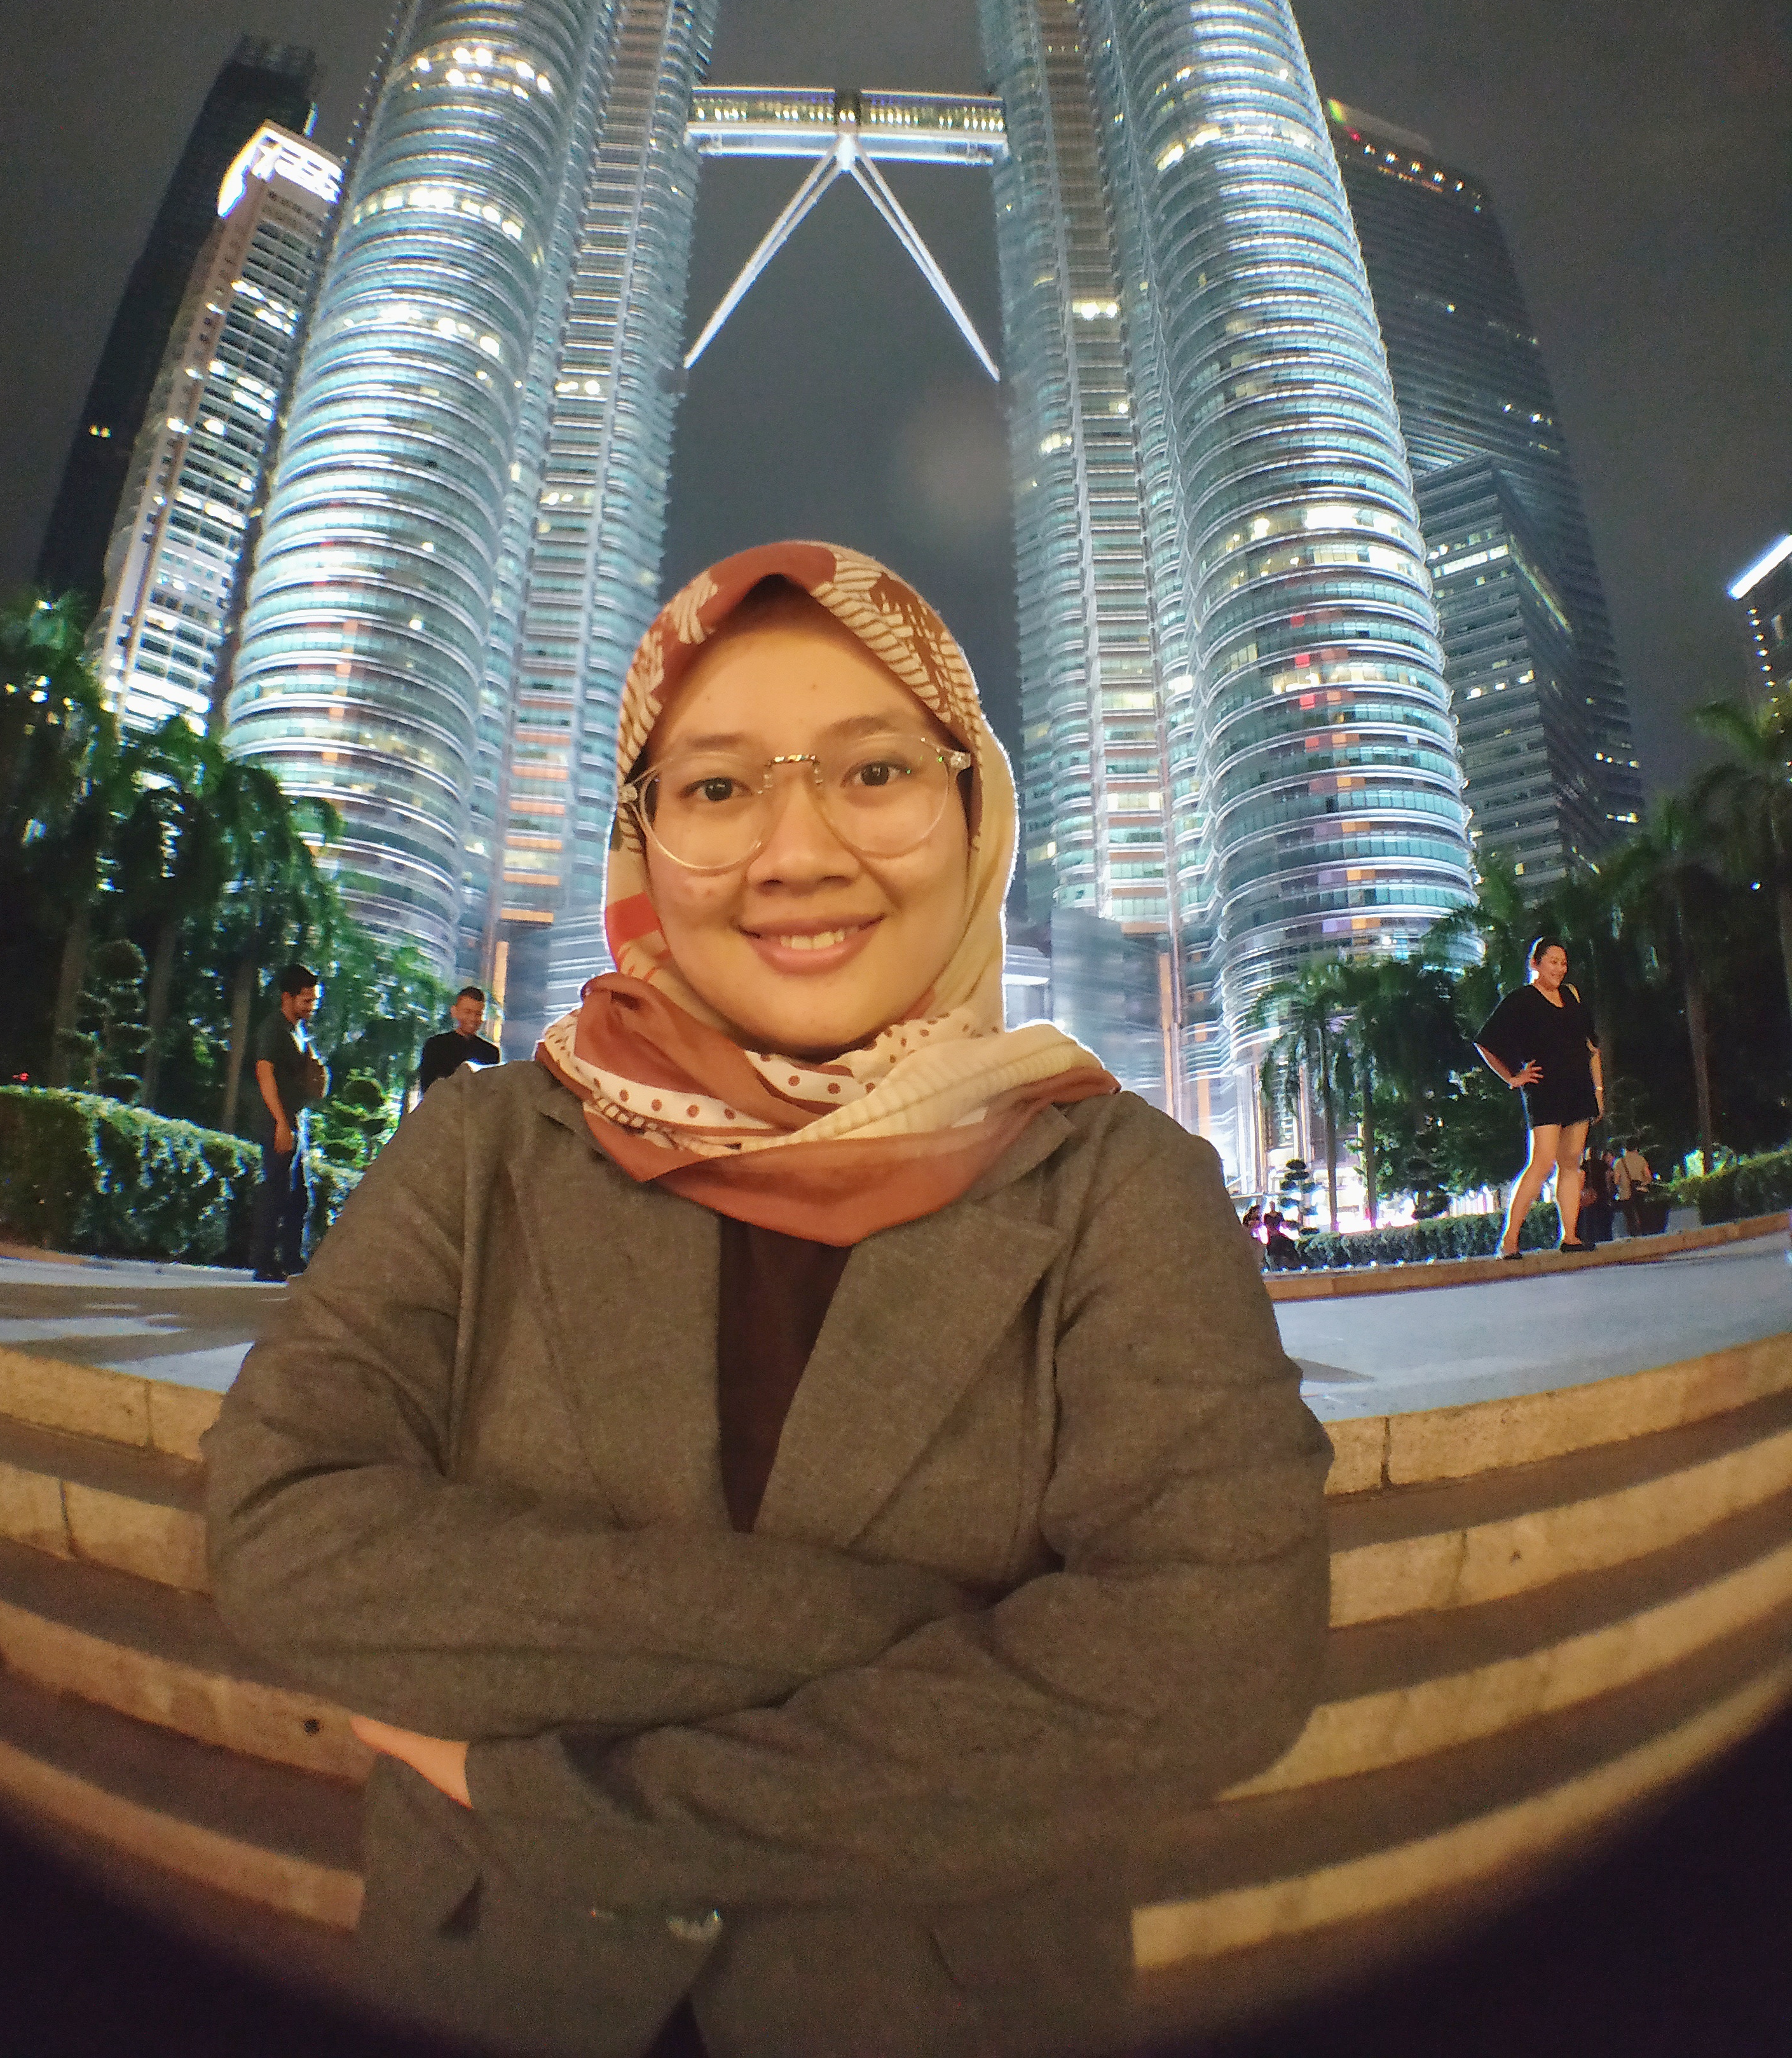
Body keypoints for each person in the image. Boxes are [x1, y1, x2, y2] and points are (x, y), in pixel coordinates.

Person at [203, 542, 1332, 2058]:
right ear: (643, 838)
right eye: (720, 786)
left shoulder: (1114, 1182)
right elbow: (281, 1534)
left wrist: (577, 1802)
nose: (795, 852)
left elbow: (1218, 1654)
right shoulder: (481, 1152)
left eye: (874, 771)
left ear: (975, 808)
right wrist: (938, 1636)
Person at [1474, 937, 1604, 1258]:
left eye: (1563, 963)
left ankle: (1570, 1236)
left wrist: (1599, 1091)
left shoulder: (1572, 996)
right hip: (1545, 1089)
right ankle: (1509, 1240)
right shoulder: (1521, 1000)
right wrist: (1512, 1077)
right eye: (1553, 962)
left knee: (1571, 1161)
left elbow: (1592, 1048)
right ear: (1536, 964)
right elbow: (1485, 1043)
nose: (1559, 969)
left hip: (1578, 1087)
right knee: (1542, 1161)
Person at [249, 963, 325, 1283]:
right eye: (306, 1000)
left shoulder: (299, 1031)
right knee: (276, 1191)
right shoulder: (274, 1030)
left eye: (315, 1001)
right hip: (278, 1121)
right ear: (287, 997)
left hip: (297, 1121)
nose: (312, 1007)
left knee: (300, 1196)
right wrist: (281, 1122)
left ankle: (292, 1259)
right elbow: (264, 1075)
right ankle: (264, 1262)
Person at [416, 985, 501, 1096]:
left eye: (478, 1014)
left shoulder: (491, 1053)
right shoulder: (435, 1046)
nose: (473, 1019)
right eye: (468, 1012)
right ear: (454, 1012)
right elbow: (427, 1089)